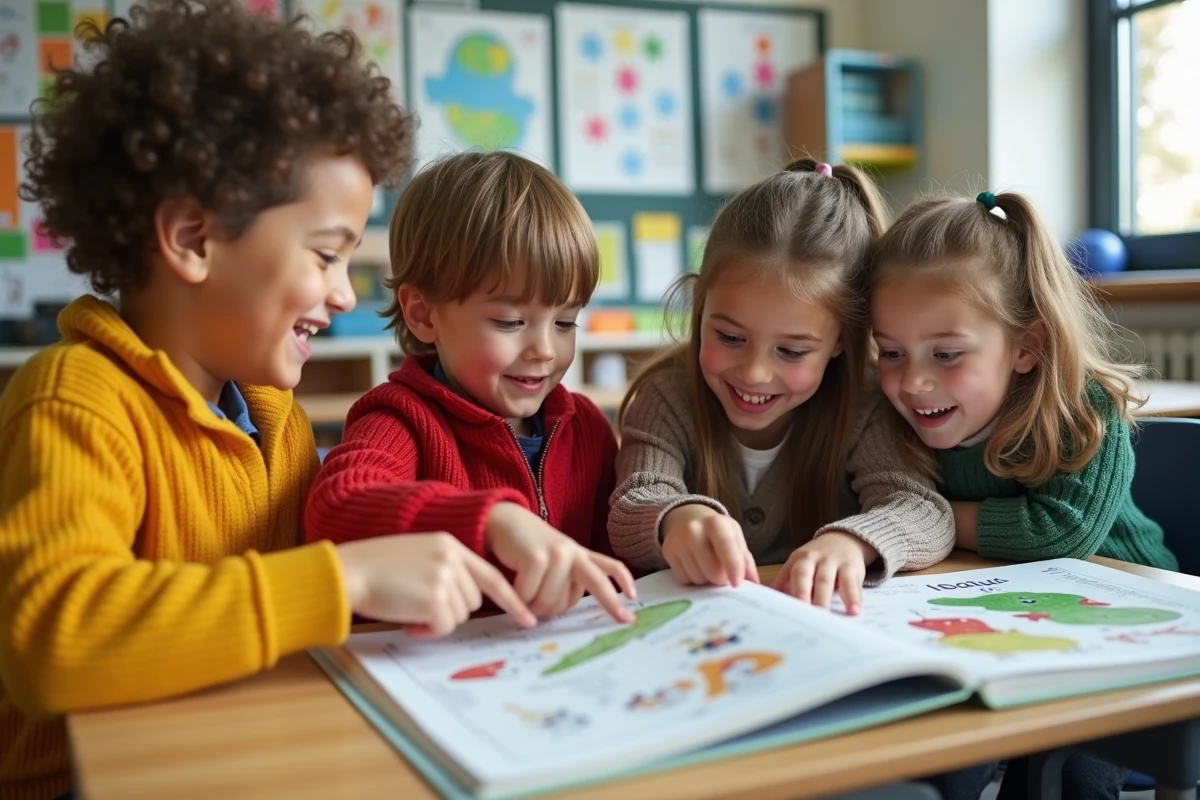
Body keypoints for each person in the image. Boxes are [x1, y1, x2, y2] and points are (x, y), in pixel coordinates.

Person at [0, 4, 537, 798]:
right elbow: (55, 640)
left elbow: (279, 619)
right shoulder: (75, 400)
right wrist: (344, 582)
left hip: (241, 749)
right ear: (192, 238)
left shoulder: (273, 419)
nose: (346, 293)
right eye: (326, 255)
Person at [867, 189, 1174, 799]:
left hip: (1115, 624)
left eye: (946, 354)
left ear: (1028, 346)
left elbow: (1059, 532)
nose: (912, 381)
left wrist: (926, 521)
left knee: (1065, 779)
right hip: (995, 623)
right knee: (931, 759)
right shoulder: (895, 417)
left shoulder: (1082, 410)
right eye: (891, 352)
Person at [608, 159, 955, 613]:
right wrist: (677, 517)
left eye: (791, 352)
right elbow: (633, 501)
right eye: (730, 337)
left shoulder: (865, 405)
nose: (753, 373)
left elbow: (923, 510)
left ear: (841, 341)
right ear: (700, 304)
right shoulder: (667, 397)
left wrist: (852, 542)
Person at [305, 151, 636, 624]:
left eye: (565, 321)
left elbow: (622, 566)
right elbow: (335, 508)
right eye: (509, 321)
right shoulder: (399, 419)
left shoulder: (585, 427)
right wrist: (493, 521)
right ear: (422, 314)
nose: (544, 349)